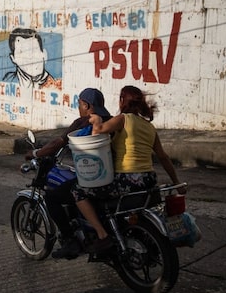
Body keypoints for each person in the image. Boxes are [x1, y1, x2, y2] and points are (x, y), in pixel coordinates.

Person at [74, 85, 184, 254]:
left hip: (127, 180)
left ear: (122, 101)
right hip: (148, 180)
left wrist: (96, 120)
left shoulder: (123, 119)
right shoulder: (149, 127)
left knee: (78, 191)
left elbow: (98, 133)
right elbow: (163, 157)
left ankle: (102, 235)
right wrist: (176, 182)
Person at [25, 88, 112, 260]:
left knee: (51, 197)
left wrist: (36, 154)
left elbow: (57, 143)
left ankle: (70, 240)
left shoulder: (82, 122)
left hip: (91, 176)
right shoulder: (110, 120)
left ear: (86, 105)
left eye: (79, 104)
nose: (78, 107)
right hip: (109, 175)